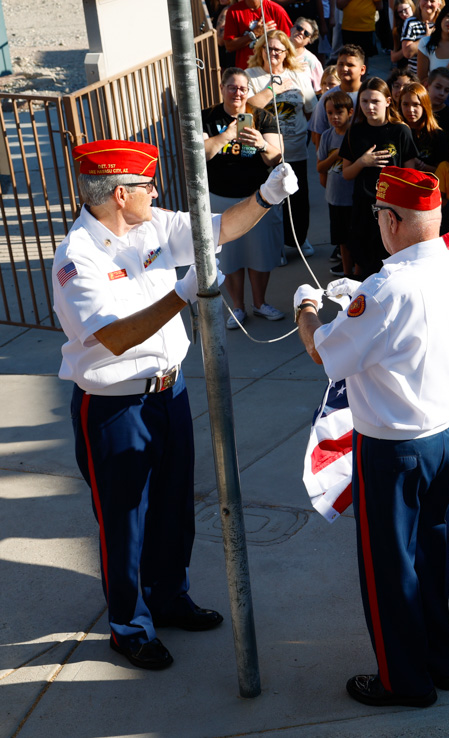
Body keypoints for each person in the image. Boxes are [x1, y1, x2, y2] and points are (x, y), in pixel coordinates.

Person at [53, 138, 297, 670]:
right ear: (120, 194)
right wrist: (183, 293)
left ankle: (167, 597)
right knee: (125, 520)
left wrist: (266, 197)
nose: (155, 192)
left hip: (169, 392)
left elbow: (220, 229)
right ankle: (128, 625)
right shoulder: (78, 258)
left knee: (172, 508)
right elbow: (114, 338)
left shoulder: (152, 224)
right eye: (146, 185)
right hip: (115, 407)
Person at [294, 166, 449, 708]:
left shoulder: (385, 289)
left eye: (380, 216)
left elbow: (324, 353)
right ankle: (439, 662)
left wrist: (307, 309)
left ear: (393, 221)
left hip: (395, 449)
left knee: (390, 567)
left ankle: (403, 680)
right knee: (433, 555)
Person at [204, 67, 286, 329]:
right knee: (230, 256)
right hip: (221, 197)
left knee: (260, 253)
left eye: (242, 88)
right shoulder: (207, 118)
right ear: (222, 88)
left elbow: (277, 157)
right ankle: (237, 307)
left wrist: (261, 143)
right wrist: (227, 135)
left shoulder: (262, 118)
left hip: (258, 197)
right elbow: (202, 154)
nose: (237, 93)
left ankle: (260, 304)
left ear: (248, 91)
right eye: (232, 87)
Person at [247, 31, 318, 259]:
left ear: (287, 52)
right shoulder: (251, 76)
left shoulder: (297, 74)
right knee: (271, 199)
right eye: (268, 48)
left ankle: (299, 239)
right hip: (265, 152)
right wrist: (272, 90)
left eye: (278, 49)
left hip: (296, 148)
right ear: (260, 51)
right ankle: (275, 246)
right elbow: (247, 108)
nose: (273, 52)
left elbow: (311, 109)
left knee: (298, 198)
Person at [340, 77, 421, 277]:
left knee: (391, 266)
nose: (369, 106)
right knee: (364, 264)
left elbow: (411, 175)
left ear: (387, 101)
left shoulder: (400, 130)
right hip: (363, 207)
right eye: (364, 101)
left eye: (375, 101)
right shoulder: (354, 132)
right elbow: (346, 173)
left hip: (392, 209)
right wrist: (362, 162)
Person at [317, 90, 355, 276]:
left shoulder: (355, 135)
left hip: (354, 197)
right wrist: (336, 155)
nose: (334, 117)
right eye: (330, 113)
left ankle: (357, 271)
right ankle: (347, 273)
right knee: (342, 240)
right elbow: (320, 167)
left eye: (339, 112)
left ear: (350, 112)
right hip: (335, 198)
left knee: (355, 238)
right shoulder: (326, 136)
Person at [224, 0, 293, 70]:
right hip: (246, 70)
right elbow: (229, 46)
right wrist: (253, 34)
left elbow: (290, 43)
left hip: (273, 71)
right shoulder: (234, 11)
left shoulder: (277, 10)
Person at [400, 0, 443, 76]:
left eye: (432, 1)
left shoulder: (443, 23)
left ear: (439, 4)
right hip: (416, 78)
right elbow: (407, 52)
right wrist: (426, 37)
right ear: (419, 1)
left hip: (439, 77)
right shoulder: (411, 22)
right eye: (425, 0)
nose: (428, 3)